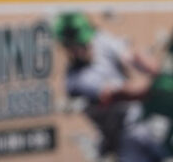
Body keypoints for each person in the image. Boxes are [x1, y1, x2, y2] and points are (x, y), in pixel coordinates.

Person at [53, 12, 164, 161]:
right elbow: (119, 93)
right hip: (123, 135)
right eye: (78, 44)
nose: (86, 45)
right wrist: (156, 87)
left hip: (147, 122)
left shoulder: (99, 40)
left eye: (87, 40)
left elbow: (132, 56)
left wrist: (152, 67)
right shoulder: (76, 80)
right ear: (67, 47)